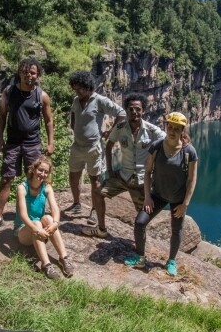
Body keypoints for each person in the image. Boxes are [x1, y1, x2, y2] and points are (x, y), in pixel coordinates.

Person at [0, 58, 54, 235]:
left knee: (36, 179)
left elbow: (48, 120)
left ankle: (33, 218)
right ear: (20, 73)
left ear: (38, 75)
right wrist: (0, 139)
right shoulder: (9, 91)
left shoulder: (41, 95)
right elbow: (2, 115)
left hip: (33, 143)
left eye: (32, 72)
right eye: (25, 71)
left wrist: (51, 142)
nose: (28, 75)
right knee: (7, 178)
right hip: (13, 143)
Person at [124, 112, 198, 277]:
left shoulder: (189, 152)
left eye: (176, 129)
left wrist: (185, 203)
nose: (171, 131)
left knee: (176, 229)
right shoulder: (156, 146)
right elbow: (148, 171)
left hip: (178, 198)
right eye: (169, 127)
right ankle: (140, 257)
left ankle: (171, 260)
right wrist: (148, 196)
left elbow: (192, 180)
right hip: (157, 195)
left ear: (182, 130)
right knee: (140, 222)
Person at [83, 93, 166, 237]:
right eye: (131, 109)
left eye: (138, 109)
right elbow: (108, 146)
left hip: (141, 181)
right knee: (97, 192)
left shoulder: (152, 130)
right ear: (126, 111)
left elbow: (168, 142)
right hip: (122, 176)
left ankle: (140, 246)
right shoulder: (120, 127)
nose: (134, 112)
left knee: (142, 217)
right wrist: (109, 169)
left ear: (143, 110)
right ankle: (101, 229)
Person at [65, 70, 126, 237]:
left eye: (80, 88)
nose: (77, 92)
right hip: (77, 146)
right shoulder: (76, 101)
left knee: (95, 180)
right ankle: (77, 203)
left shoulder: (99, 101)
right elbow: (73, 116)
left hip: (94, 148)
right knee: (73, 175)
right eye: (75, 89)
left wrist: (111, 132)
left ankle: (93, 209)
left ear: (88, 86)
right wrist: (74, 126)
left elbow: (121, 113)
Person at [14, 156, 74, 279]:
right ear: (33, 169)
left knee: (49, 219)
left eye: (46, 172)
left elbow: (55, 209)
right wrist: (37, 229)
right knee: (36, 223)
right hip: (23, 230)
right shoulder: (22, 188)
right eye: (40, 170)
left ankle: (63, 258)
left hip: (41, 230)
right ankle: (46, 265)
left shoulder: (46, 188)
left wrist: (55, 224)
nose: (43, 174)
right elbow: (23, 215)